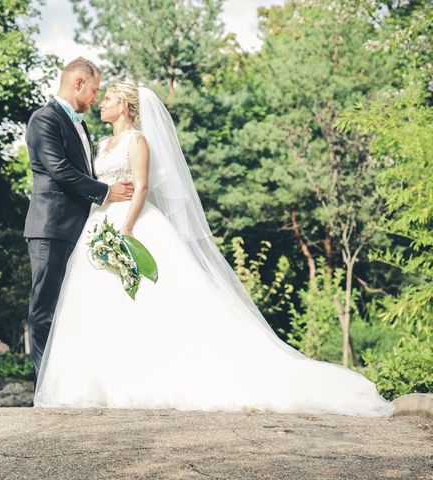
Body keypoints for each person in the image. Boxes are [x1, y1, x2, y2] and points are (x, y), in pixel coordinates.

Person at [32, 81, 395, 417]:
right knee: (97, 303)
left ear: (125, 106)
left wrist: (126, 229)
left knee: (144, 299)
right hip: (99, 225)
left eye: (108, 98)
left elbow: (141, 187)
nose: (101, 103)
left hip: (129, 223)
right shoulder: (103, 143)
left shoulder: (137, 141)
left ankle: (153, 374)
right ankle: (103, 378)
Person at [24, 58, 134, 382]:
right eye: (94, 91)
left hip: (78, 229)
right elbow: (58, 169)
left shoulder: (80, 124)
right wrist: (106, 192)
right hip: (50, 228)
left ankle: (66, 382)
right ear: (78, 84)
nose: (95, 99)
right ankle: (44, 387)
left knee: (70, 308)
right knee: (44, 308)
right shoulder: (43, 119)